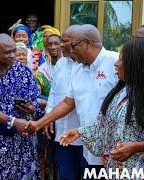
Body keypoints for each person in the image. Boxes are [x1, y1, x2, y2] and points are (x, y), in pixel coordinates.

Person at [25, 24, 119, 175]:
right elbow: (68, 102)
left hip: (115, 149)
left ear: (87, 44)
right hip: (89, 148)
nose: (69, 50)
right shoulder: (78, 68)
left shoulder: (116, 62)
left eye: (73, 45)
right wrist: (39, 123)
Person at [58, 37, 144, 175]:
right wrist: (79, 132)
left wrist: (138, 147)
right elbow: (106, 127)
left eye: (121, 60)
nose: (116, 64)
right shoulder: (121, 92)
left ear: (136, 64)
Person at [0, 33, 42, 179]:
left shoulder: (23, 71)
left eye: (13, 51)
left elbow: (35, 100)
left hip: (22, 138)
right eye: (7, 53)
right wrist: (13, 122)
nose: (12, 55)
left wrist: (32, 108)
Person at [41, 25, 88, 180]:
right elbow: (54, 93)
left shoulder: (89, 65)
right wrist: (49, 114)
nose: (61, 45)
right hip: (62, 135)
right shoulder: (60, 64)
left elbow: (71, 101)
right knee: (65, 175)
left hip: (84, 136)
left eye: (65, 41)